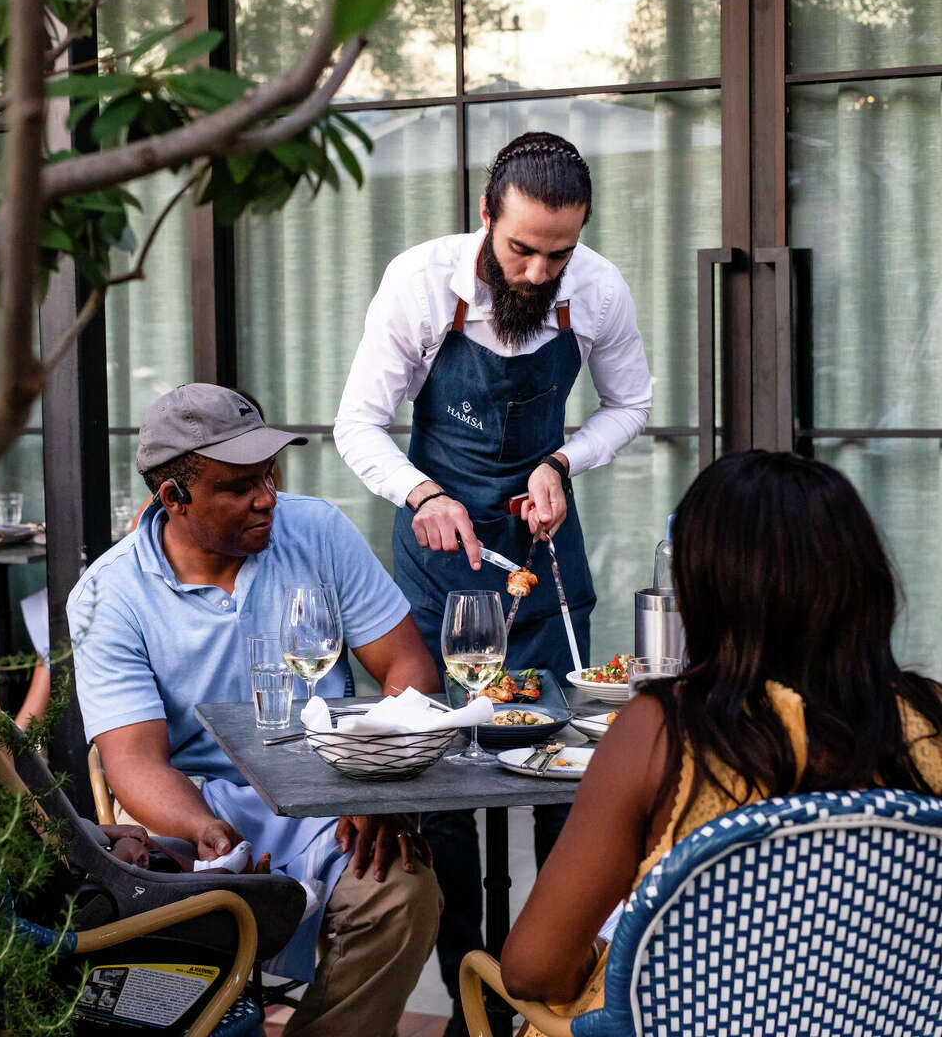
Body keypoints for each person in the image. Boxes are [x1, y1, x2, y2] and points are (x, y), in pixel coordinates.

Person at [333, 131, 652, 1024]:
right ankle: (474, 1011)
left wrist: (561, 460)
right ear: (485, 216)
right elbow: (357, 424)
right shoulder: (418, 284)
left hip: (542, 549)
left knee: (569, 778)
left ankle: (552, 1002)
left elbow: (631, 404)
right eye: (521, 248)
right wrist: (420, 489)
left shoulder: (596, 290)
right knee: (444, 791)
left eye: (559, 252)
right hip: (440, 557)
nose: (540, 270)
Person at [498, 451, 942, 1022]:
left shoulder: (663, 733)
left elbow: (533, 969)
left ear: (705, 589)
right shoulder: (929, 717)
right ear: (864, 579)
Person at [67, 384, 443, 1037]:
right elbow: (132, 761)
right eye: (239, 486)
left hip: (333, 792)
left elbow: (408, 668)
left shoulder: (318, 530)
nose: (266, 496)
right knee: (182, 936)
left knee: (403, 893)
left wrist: (375, 782)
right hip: (194, 812)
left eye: (268, 475)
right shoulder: (108, 593)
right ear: (173, 499)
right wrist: (205, 829)